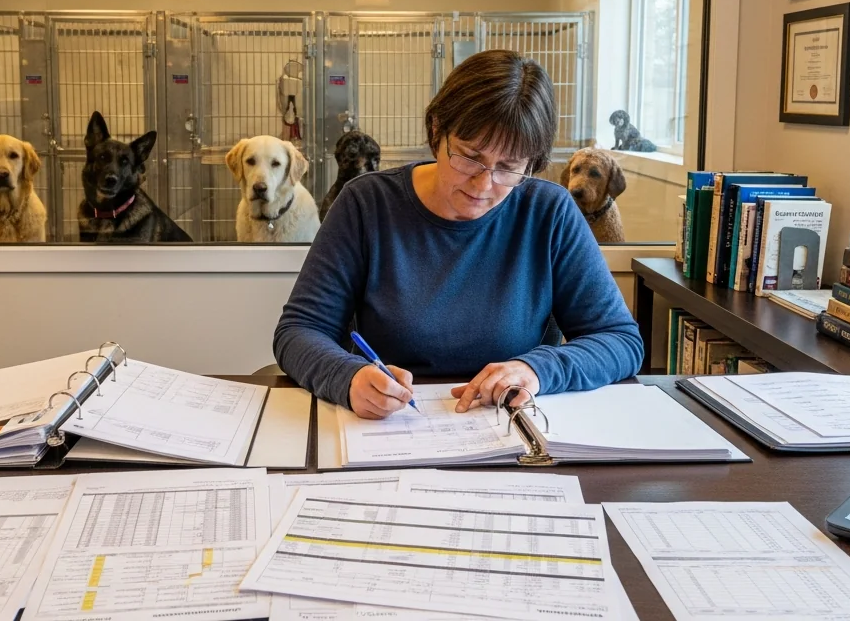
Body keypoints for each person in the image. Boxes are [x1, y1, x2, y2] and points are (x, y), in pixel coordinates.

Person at [273, 49, 644, 419]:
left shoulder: (549, 211)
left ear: (533, 163)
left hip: (509, 434)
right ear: (437, 130)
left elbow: (620, 340)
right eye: (470, 156)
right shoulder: (367, 204)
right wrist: (348, 377)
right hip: (388, 429)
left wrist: (539, 369)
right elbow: (299, 330)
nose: (484, 184)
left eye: (509, 167)